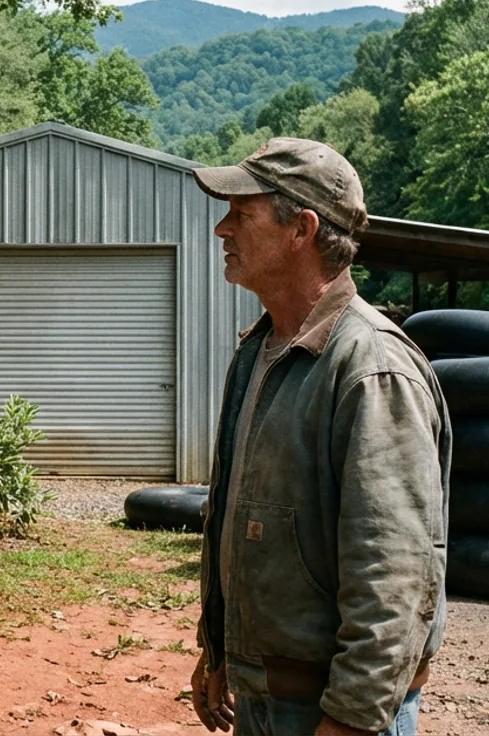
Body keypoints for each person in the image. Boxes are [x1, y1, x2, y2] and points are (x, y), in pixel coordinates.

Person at [184, 138, 451, 736]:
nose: (222, 229)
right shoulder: (260, 351)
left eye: (242, 214)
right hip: (267, 697)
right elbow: (242, 517)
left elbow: (395, 572)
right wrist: (222, 651)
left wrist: (353, 718)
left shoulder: (371, 366)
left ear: (302, 229)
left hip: (331, 713)